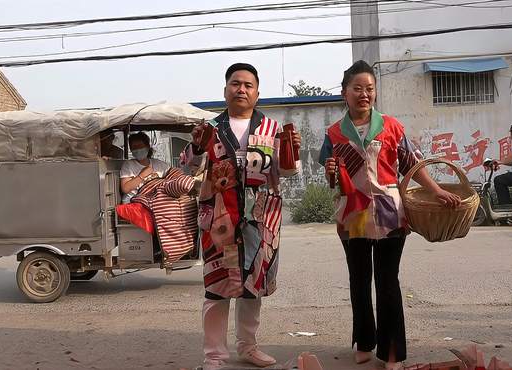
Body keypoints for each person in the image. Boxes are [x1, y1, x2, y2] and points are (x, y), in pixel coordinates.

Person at [318, 60, 461, 370]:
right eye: (357, 88)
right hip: (351, 216)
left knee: (387, 282)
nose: (364, 94)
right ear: (345, 93)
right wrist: (330, 172)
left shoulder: (392, 127)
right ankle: (364, 342)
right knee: (359, 280)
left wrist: (436, 191)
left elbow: (411, 165)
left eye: (369, 88)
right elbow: (332, 178)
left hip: (390, 214)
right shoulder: (333, 133)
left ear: (375, 93)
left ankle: (392, 351)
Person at [182, 63, 301, 370]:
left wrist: (291, 152)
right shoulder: (209, 129)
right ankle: (214, 356)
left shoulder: (271, 129)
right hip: (219, 222)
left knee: (253, 287)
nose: (241, 89)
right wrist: (196, 146)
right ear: (225, 90)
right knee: (217, 289)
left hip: (259, 223)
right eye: (236, 84)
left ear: (257, 94)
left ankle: (248, 347)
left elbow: (285, 172)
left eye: (248, 85)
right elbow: (188, 167)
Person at [120, 132, 170, 203]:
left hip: (156, 202)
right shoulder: (128, 165)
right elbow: (125, 189)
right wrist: (142, 175)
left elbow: (172, 177)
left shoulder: (160, 165)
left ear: (147, 147)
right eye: (134, 147)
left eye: (140, 146)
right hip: (134, 202)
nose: (137, 149)